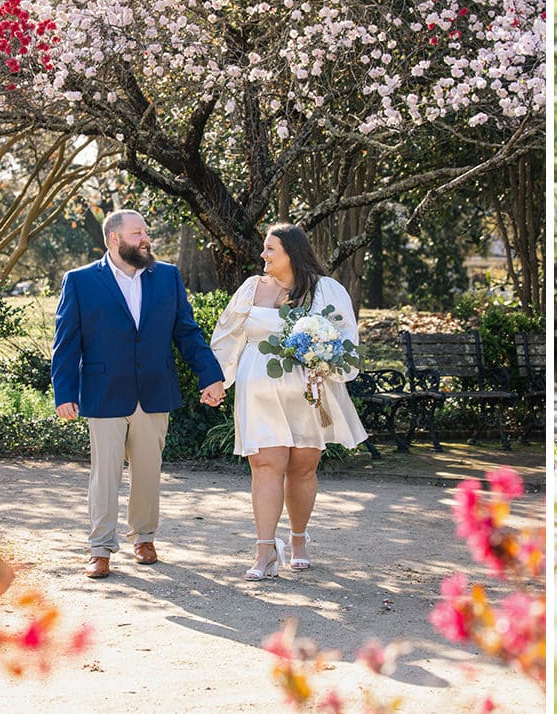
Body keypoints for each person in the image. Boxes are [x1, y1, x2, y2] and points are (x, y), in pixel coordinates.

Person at [52, 210, 226, 579]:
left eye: (146, 231)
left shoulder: (168, 277)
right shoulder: (80, 281)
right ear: (114, 239)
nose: (146, 238)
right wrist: (64, 393)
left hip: (154, 391)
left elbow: (188, 333)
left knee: (148, 471)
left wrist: (210, 376)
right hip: (103, 392)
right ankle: (100, 548)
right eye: (137, 233)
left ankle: (144, 538)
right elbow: (66, 342)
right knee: (105, 474)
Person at [210, 223, 367, 580]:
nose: (263, 255)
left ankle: (298, 541)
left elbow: (345, 340)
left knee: (302, 468)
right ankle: (264, 551)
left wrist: (325, 357)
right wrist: (217, 380)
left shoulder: (325, 290)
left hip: (307, 392)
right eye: (264, 249)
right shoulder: (252, 287)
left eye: (270, 249)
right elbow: (227, 336)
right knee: (265, 465)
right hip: (258, 393)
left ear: (291, 253)